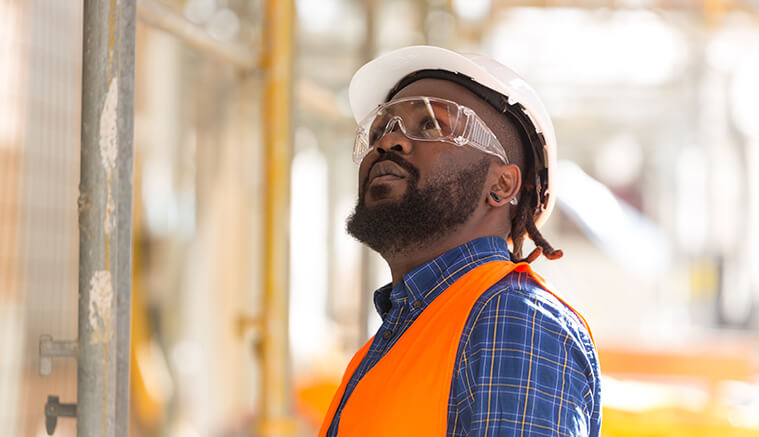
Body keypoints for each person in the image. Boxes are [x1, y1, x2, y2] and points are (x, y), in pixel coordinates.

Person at [320, 45, 601, 437]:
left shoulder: (512, 321)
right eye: (381, 129)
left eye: (432, 125)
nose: (388, 142)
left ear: (502, 185)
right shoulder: (390, 343)